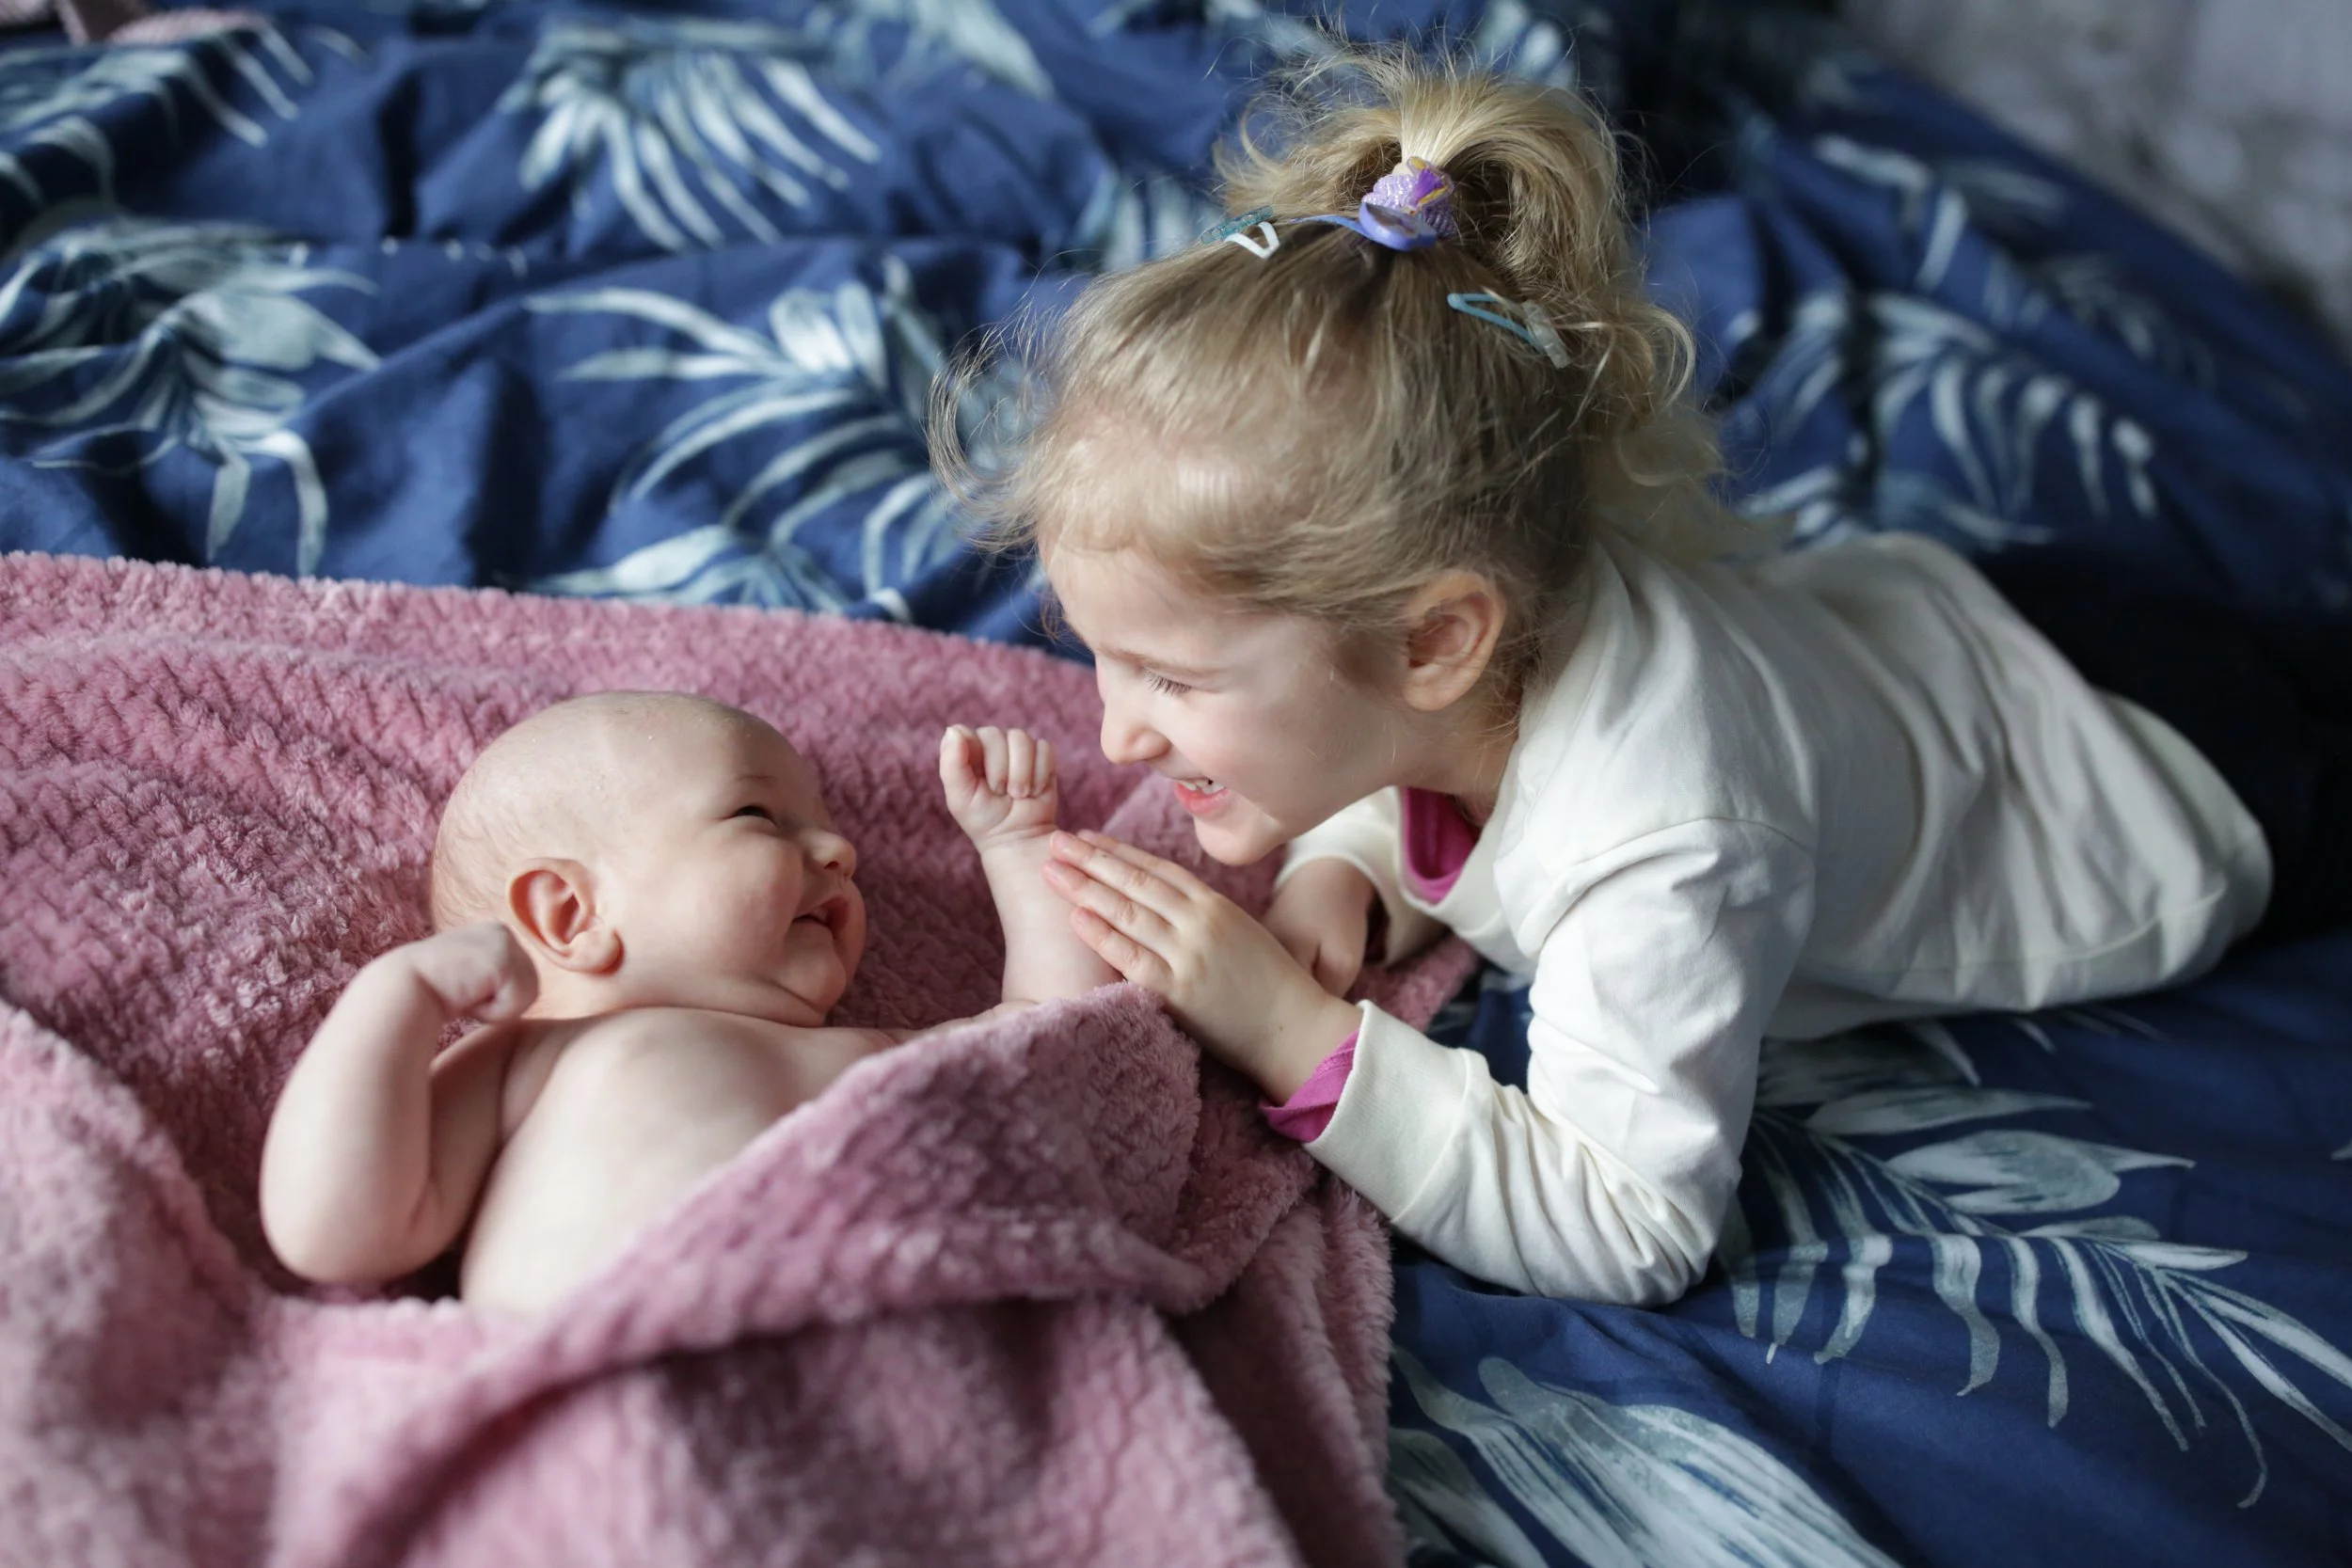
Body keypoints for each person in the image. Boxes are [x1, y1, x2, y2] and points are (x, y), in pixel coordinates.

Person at [931, 50, 2351, 1305]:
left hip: (2159, 791)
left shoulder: (1666, 837)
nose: (1117, 728)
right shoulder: (1490, 570)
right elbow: (1402, 733)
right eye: (1098, 651)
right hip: (1989, 618)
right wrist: (1355, 859)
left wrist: (1293, 1029)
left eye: (1169, 677)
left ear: (1437, 637)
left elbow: (1634, 1225)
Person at [259, 691, 1112, 1314]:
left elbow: (1059, 1039)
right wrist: (395, 1000)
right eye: (757, 814)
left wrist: (1019, 845)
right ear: (570, 915)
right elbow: (338, 1231)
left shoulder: (872, 1046)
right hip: (620, 1387)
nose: (840, 849)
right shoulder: (527, 1062)